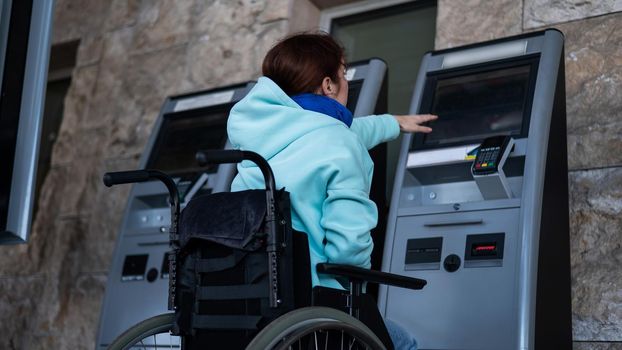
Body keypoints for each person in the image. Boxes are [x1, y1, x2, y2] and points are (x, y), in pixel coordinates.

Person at [227, 32, 436, 349]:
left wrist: (393, 123)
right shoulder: (339, 142)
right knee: (404, 343)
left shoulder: (260, 136)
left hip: (256, 303)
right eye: (344, 74)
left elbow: (347, 130)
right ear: (328, 85)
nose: (346, 82)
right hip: (316, 308)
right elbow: (348, 251)